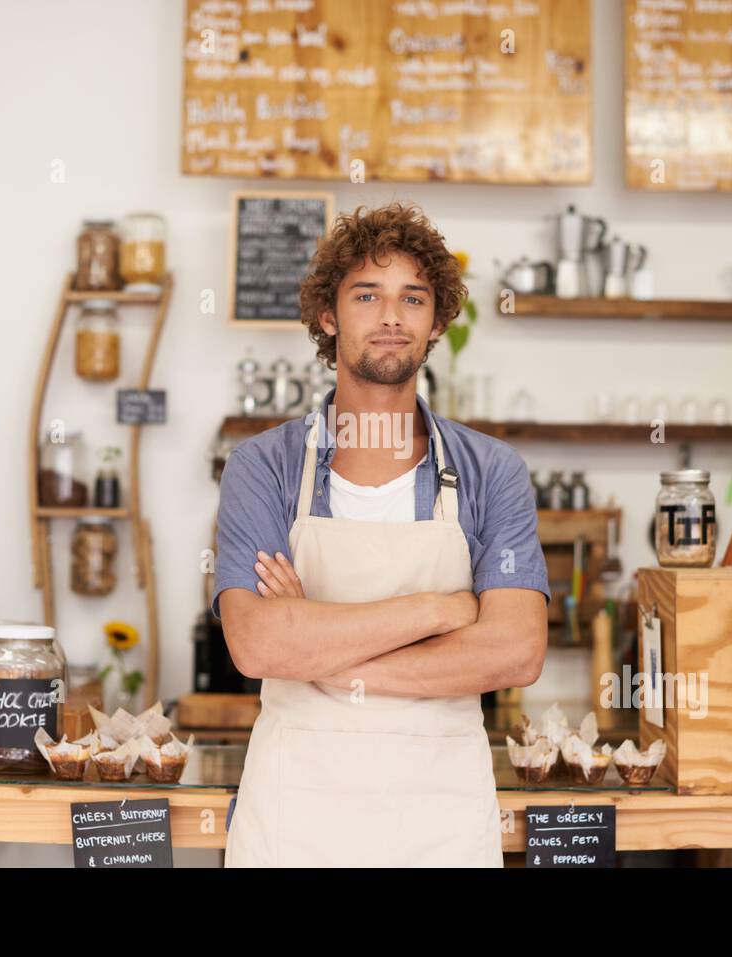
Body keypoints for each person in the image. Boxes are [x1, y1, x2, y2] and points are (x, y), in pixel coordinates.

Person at [212, 202, 550, 867]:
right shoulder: (265, 467)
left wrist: (317, 646)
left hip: (441, 822)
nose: (391, 316)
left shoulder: (492, 471)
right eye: (368, 294)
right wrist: (439, 611)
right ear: (329, 316)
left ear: (435, 322)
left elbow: (514, 653)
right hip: (294, 821)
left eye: (412, 298)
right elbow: (255, 643)